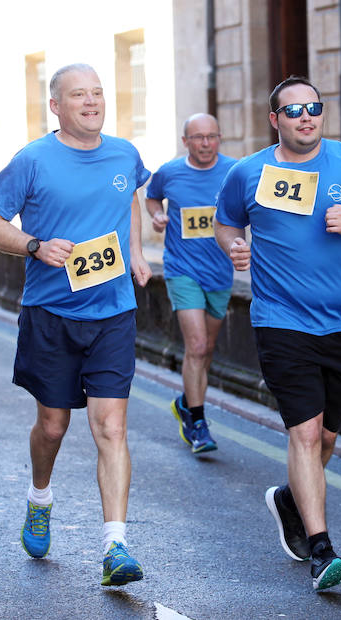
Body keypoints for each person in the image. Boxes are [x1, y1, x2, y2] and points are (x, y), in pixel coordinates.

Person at [214, 76, 341, 591]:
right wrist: (234, 248)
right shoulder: (249, 172)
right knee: (304, 433)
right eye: (294, 110)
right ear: (274, 119)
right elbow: (226, 222)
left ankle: (289, 497)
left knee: (325, 439)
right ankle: (321, 551)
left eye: (314, 108)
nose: (306, 117)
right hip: (281, 322)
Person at [0, 63, 152, 587]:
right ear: (56, 105)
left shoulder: (125, 153)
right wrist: (35, 246)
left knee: (112, 427)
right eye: (79, 95)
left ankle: (115, 546)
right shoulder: (32, 160)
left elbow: (132, 201)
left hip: (113, 314)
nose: (92, 102)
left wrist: (137, 253)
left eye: (98, 92)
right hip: (51, 315)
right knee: (53, 425)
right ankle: (39, 496)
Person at [145, 113, 237, 454]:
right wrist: (157, 215)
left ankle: (186, 402)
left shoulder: (234, 170)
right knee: (196, 346)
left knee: (207, 349)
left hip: (220, 272)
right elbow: (151, 196)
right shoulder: (169, 172)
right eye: (198, 137)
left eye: (212, 136)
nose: (206, 143)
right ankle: (197, 423)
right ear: (186, 141)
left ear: (219, 138)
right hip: (182, 269)